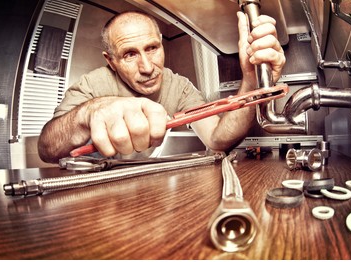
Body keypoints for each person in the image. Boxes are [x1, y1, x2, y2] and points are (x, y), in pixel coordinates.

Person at [38, 10, 285, 163]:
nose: (147, 67)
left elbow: (217, 139)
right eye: (129, 55)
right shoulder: (91, 85)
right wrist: (88, 113)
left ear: (161, 46)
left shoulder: (180, 87)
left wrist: (252, 79)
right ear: (110, 61)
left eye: (152, 48)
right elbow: (47, 149)